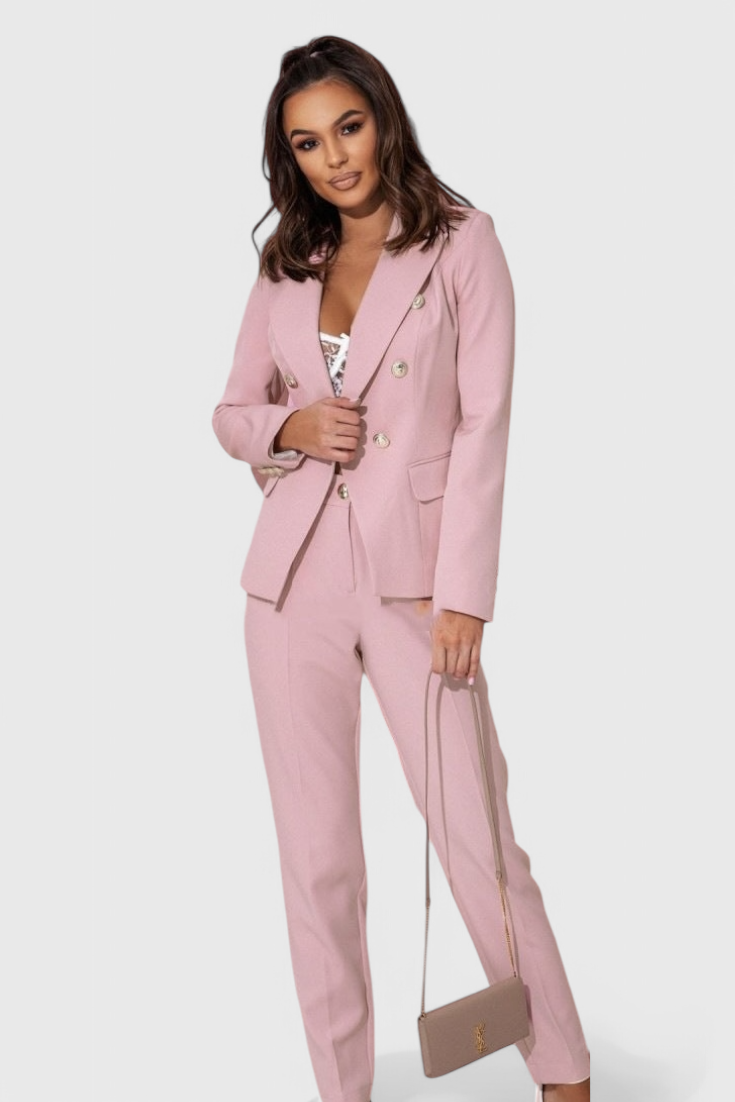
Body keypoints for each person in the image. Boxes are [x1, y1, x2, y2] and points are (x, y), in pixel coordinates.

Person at [211, 34, 591, 1102]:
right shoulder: (287, 263)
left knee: (479, 840)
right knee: (317, 863)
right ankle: (343, 1090)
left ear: (383, 117)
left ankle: (563, 1073)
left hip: (419, 587)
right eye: (307, 143)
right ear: (288, 158)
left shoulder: (463, 241)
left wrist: (465, 596)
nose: (335, 157)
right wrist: (289, 424)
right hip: (289, 589)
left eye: (349, 126)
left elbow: (483, 423)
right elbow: (232, 411)